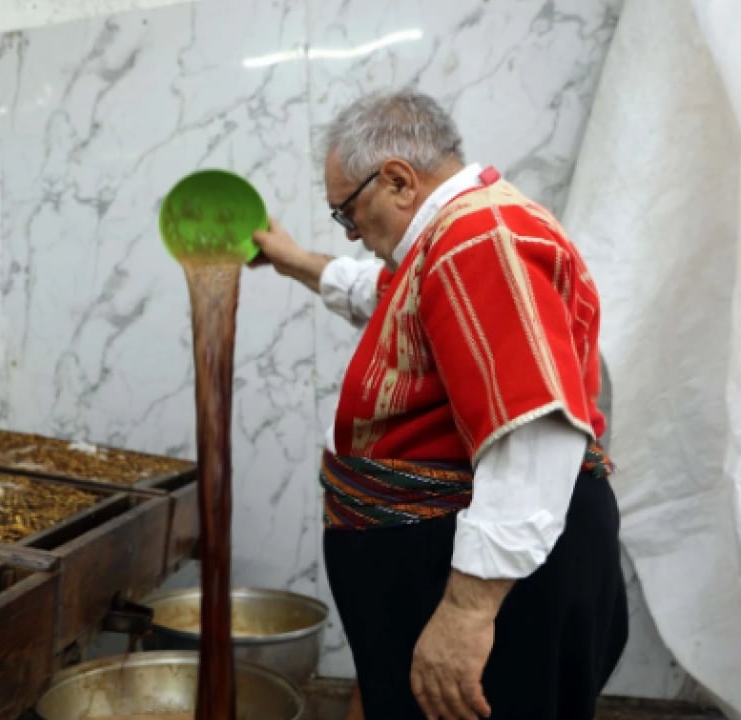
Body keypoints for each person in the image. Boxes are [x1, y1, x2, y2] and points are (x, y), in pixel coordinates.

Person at [250, 89, 627, 720]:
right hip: (449, 560)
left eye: (347, 214)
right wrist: (296, 264)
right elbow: (391, 296)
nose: (354, 234)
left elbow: (531, 437)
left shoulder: (480, 239)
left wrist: (466, 614)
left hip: (495, 586)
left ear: (397, 180)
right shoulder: (453, 241)